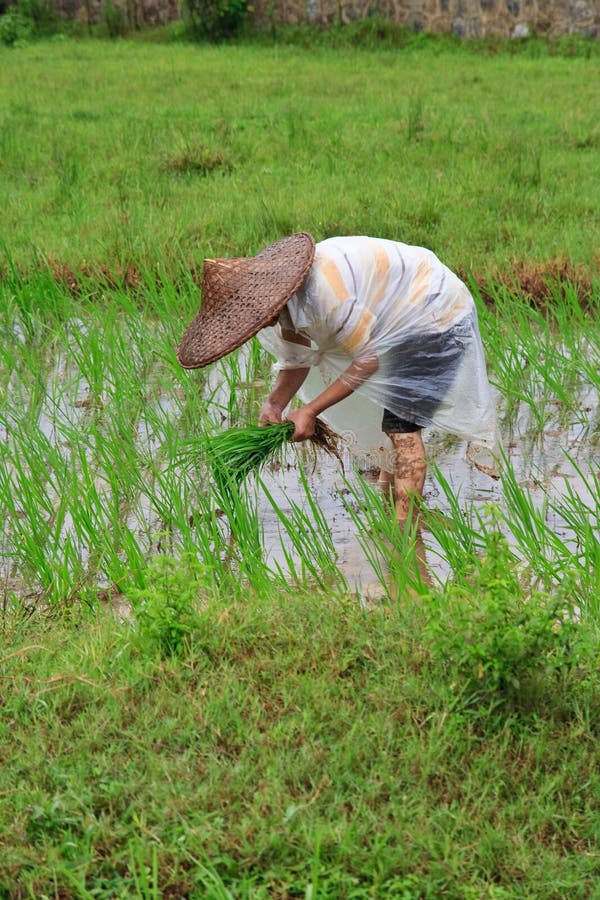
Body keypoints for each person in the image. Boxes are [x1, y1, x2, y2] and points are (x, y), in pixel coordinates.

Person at [177, 232, 499, 524]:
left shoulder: (325, 295)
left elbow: (368, 360)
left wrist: (309, 410)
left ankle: (405, 532)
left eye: (251, 319)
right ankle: (394, 513)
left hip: (433, 311)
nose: (254, 326)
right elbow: (297, 357)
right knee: (395, 425)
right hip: (397, 317)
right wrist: (275, 404)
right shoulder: (288, 296)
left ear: (266, 305)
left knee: (403, 429)